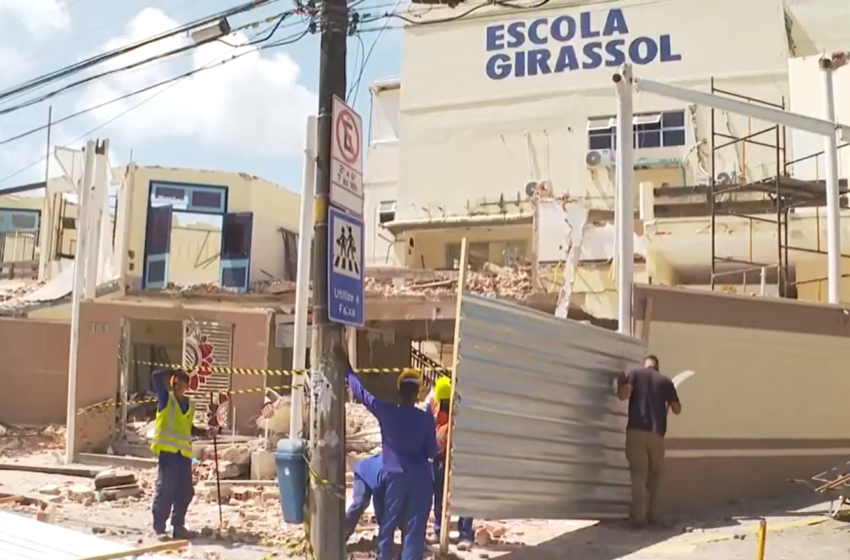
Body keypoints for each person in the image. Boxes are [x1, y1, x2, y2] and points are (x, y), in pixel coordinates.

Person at [337, 344, 437, 560]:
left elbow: (362, 394)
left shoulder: (387, 411)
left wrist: (348, 370)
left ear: (399, 391)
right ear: (418, 392)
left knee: (389, 523)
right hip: (421, 478)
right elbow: (432, 451)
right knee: (415, 529)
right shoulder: (425, 419)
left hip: (396, 474)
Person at [617, 355, 682, 528]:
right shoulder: (666, 381)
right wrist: (669, 398)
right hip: (657, 435)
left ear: (644, 364)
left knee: (638, 475)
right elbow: (677, 409)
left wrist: (620, 383)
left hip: (636, 432)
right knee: (656, 476)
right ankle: (656, 516)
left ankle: (639, 518)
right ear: (658, 367)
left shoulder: (635, 374)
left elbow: (623, 395)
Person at [150, 368, 215, 540]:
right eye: (177, 381)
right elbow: (156, 376)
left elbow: (189, 428)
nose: (180, 385)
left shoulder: (189, 404)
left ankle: (178, 526)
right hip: (168, 453)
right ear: (173, 382)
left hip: (183, 454)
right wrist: (173, 370)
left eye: (183, 382)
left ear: (186, 385)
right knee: (166, 490)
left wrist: (205, 432)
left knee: (185, 492)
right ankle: (159, 528)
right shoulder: (166, 400)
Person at [427, 376, 474, 550]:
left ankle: (466, 533)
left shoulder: (462, 406)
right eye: (443, 401)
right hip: (439, 457)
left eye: (448, 401)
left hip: (459, 455)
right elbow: (427, 424)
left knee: (464, 495)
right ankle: (439, 530)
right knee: (438, 494)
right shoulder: (433, 405)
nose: (445, 404)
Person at [345, 453, 385, 542]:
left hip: (376, 475)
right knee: (360, 503)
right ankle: (343, 533)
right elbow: (378, 500)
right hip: (363, 472)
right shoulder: (384, 474)